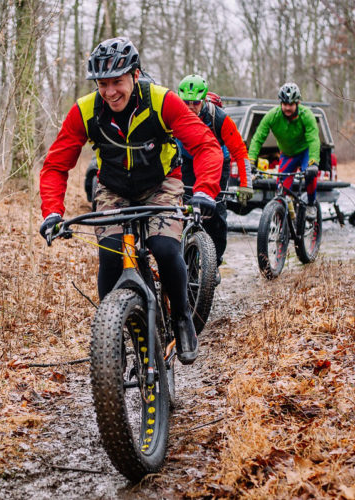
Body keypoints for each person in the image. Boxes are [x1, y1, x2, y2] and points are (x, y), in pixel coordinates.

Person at [38, 38, 223, 365]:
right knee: (110, 257)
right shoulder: (85, 111)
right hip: (113, 188)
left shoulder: (162, 101)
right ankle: (114, 338)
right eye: (103, 84)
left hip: (162, 183)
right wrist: (53, 212)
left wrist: (206, 190)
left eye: (117, 82)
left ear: (135, 75)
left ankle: (181, 318)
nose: (110, 92)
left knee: (164, 248)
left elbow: (206, 147)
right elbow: (55, 165)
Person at [174, 74, 253, 271]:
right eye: (186, 103)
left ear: (203, 100)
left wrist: (246, 184)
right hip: (187, 162)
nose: (190, 107)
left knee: (215, 212)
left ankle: (214, 262)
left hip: (217, 162)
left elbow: (240, 151)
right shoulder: (173, 114)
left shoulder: (219, 118)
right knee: (183, 208)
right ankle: (185, 256)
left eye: (195, 103)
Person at [248, 82, 321, 219]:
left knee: (310, 175)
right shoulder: (272, 116)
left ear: (298, 102)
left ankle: (311, 204)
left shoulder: (306, 115)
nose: (287, 107)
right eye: (285, 104)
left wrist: (314, 162)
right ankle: (285, 220)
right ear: (280, 102)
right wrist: (251, 161)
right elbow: (258, 138)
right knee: (281, 190)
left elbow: (314, 139)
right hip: (287, 155)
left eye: (291, 104)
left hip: (305, 153)